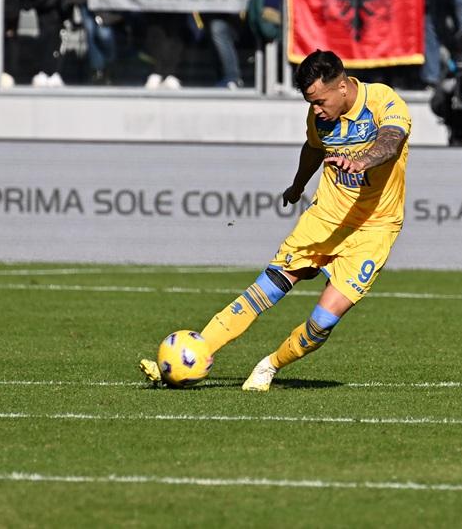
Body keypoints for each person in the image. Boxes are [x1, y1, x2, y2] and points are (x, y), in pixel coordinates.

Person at [140, 50, 412, 391]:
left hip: (376, 227)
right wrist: (298, 185)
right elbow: (314, 148)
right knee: (265, 289)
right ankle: (196, 353)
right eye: (310, 102)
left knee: (323, 321)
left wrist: (364, 161)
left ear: (343, 87)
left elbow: (392, 140)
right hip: (326, 218)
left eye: (319, 101)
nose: (315, 109)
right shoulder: (320, 117)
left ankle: (270, 365)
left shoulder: (384, 102)